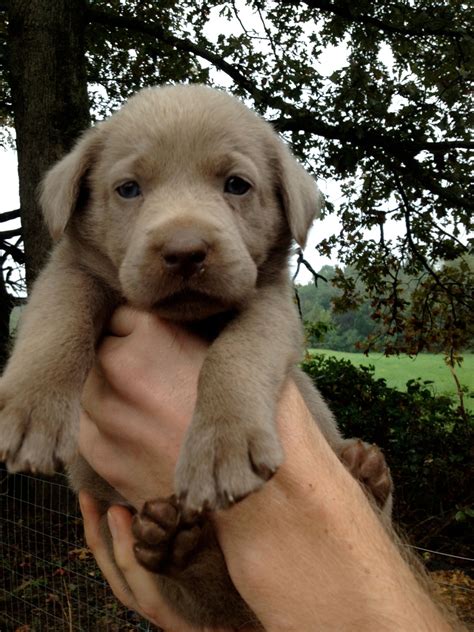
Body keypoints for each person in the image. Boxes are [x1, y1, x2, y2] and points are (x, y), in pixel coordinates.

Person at [78, 306, 456, 632]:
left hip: (201, 564)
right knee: (139, 536)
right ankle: (197, 561)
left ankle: (348, 500)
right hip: (163, 547)